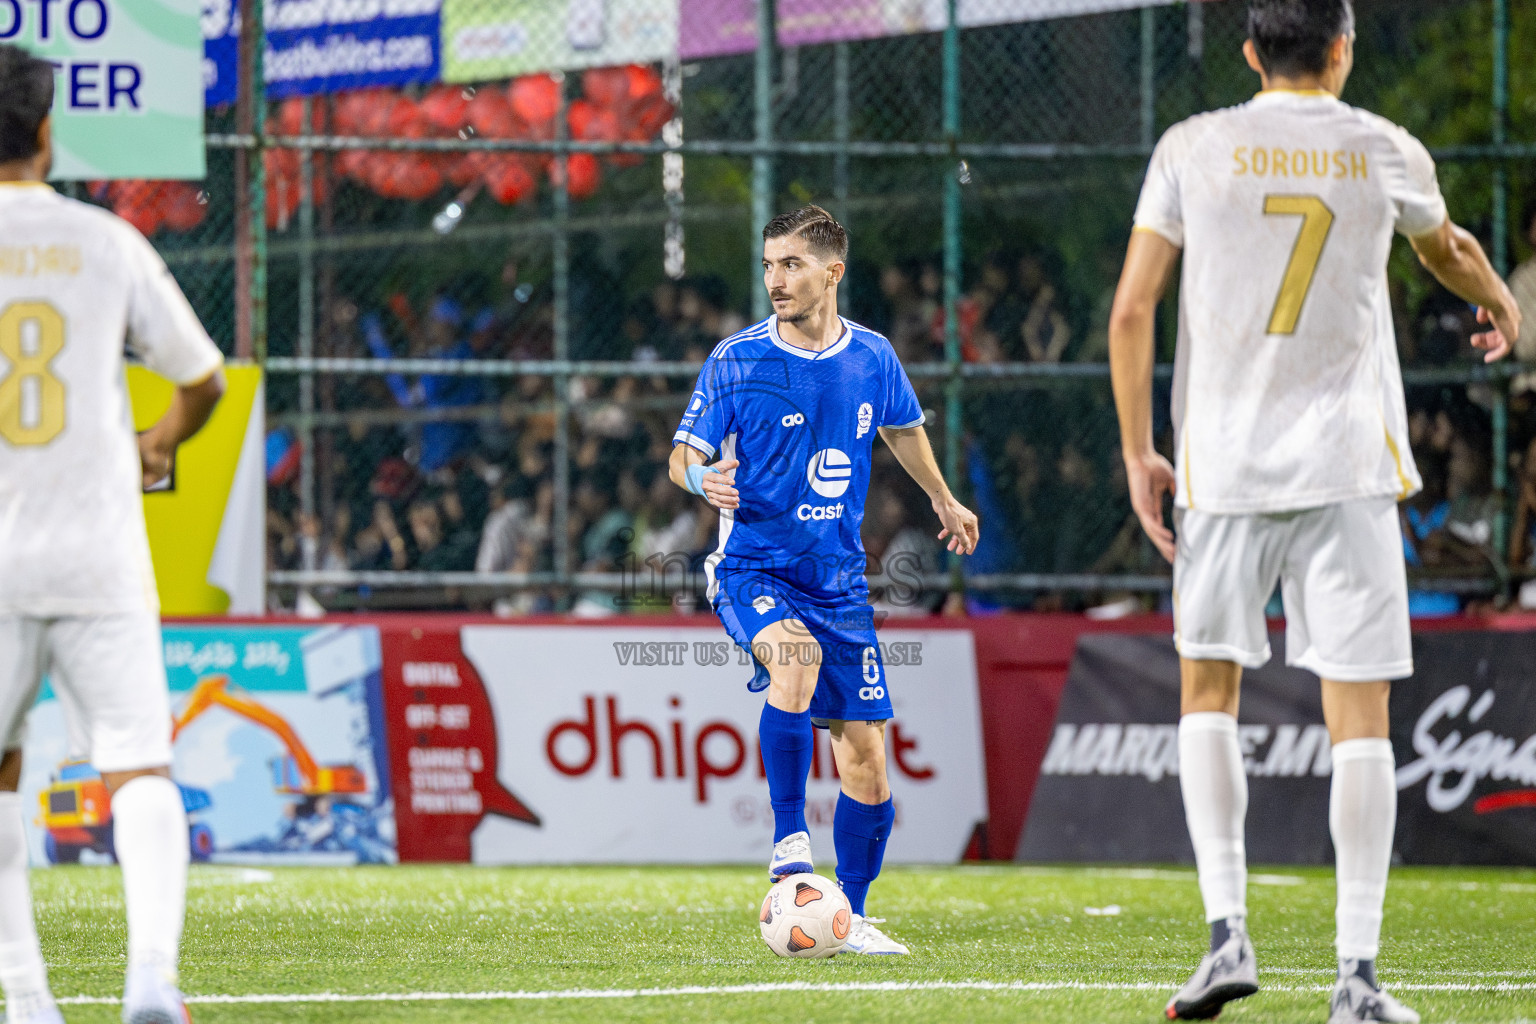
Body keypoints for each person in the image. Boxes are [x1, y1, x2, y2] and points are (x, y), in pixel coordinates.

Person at [1107, 2, 1520, 1022]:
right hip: (1348, 468)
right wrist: (1501, 300)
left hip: (1225, 467)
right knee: (1361, 720)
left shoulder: (1192, 147)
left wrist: (1135, 450)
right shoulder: (1379, 145)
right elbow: (1450, 249)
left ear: (1252, 53)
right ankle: (1358, 978)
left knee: (1207, 694)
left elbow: (1130, 309)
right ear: (1341, 50)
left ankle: (1226, 935)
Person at [668, 205, 979, 955]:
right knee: (794, 657)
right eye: (770, 264)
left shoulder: (872, 356)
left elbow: (901, 427)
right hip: (752, 565)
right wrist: (705, 477)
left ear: (832, 272)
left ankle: (850, 914)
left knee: (868, 759)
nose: (776, 279)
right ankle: (788, 846)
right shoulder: (737, 358)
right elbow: (682, 456)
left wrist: (941, 495)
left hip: (838, 583)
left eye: (792, 265)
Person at [0, 43, 228, 1024]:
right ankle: (151, 987)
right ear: (47, 132)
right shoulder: (105, 240)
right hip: (98, 551)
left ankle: (27, 998)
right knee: (139, 765)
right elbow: (204, 376)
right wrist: (158, 440)